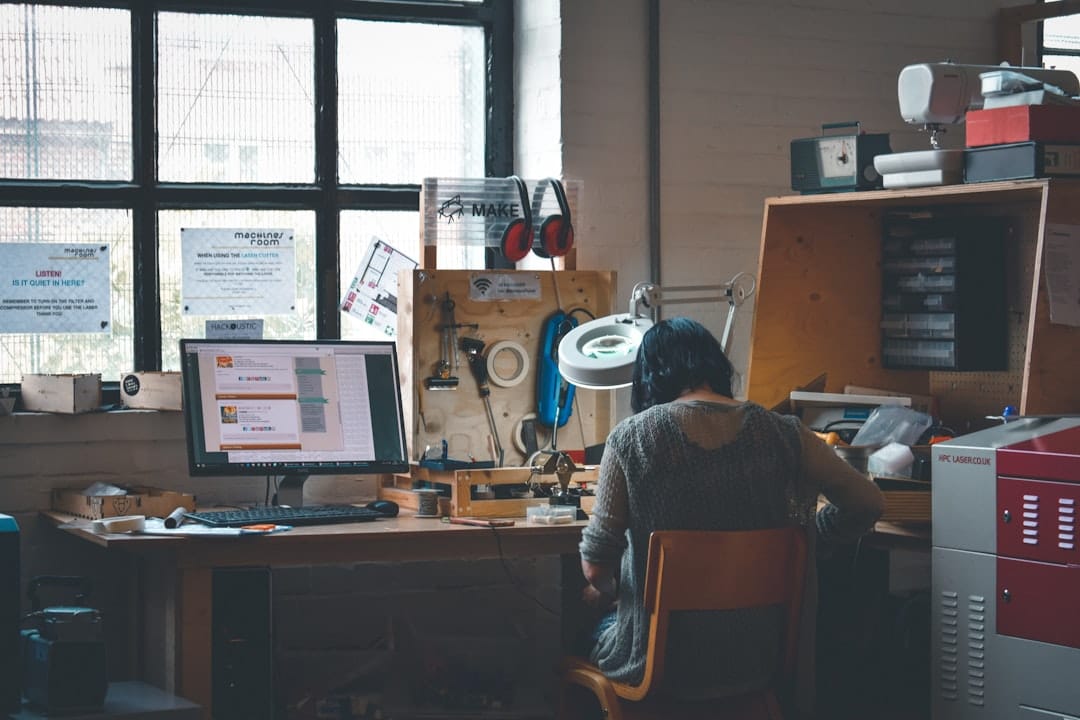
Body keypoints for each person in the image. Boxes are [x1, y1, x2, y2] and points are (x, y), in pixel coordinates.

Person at [577, 316, 884, 709]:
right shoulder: (785, 433)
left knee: (584, 623)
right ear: (714, 367)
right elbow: (869, 503)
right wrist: (807, 539)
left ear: (649, 376)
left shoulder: (632, 437)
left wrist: (607, 591)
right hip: (757, 660)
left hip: (659, 666)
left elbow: (595, 567)